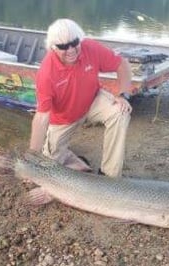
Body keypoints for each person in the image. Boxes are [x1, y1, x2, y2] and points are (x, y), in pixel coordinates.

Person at [29, 18, 133, 177]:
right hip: (63, 119)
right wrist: (32, 157)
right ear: (53, 48)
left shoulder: (90, 47)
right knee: (47, 169)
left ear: (80, 39)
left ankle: (109, 175)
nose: (70, 50)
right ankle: (73, 161)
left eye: (74, 42)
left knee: (120, 112)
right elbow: (42, 118)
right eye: (63, 46)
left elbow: (122, 64)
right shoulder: (46, 73)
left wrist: (123, 94)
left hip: (92, 101)